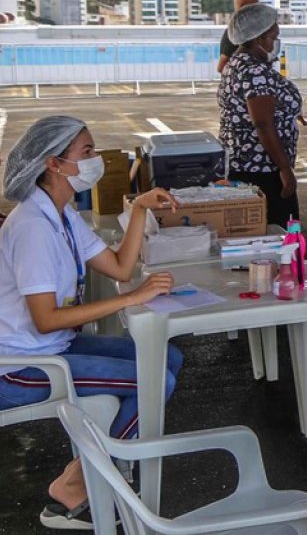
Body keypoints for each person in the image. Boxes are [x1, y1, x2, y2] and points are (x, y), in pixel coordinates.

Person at [0, 116, 183, 530]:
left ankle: (82, 476)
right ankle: (91, 483)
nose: (95, 159)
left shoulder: (61, 217)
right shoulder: (32, 227)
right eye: (87, 152)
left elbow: (120, 267)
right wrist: (135, 297)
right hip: (18, 367)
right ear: (54, 164)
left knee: (166, 356)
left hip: (54, 347)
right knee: (155, 380)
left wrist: (138, 208)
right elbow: (45, 320)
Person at [218, 3, 304, 228]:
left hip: (241, 166)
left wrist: (289, 112)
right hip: (264, 172)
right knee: (282, 234)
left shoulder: (235, 64)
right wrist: (284, 169)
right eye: (274, 36)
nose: (277, 41)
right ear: (258, 39)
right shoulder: (256, 72)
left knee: (251, 234)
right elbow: (263, 124)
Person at [216, 0, 259, 73]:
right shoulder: (235, 31)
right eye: (255, 6)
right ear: (243, 7)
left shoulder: (254, 29)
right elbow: (221, 67)